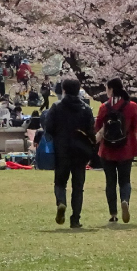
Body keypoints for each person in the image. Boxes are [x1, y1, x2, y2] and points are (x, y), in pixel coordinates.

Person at [45, 78, 95, 228]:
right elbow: (91, 131)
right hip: (80, 151)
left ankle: (61, 202)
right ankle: (75, 219)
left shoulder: (56, 107)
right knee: (78, 186)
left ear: (64, 90)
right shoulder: (86, 109)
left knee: (60, 182)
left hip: (62, 150)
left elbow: (49, 128)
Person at [95, 77, 137, 224]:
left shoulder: (103, 107)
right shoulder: (132, 106)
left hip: (107, 149)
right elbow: (134, 127)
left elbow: (97, 127)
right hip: (126, 148)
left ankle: (113, 214)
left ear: (112, 89)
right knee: (125, 180)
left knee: (110, 182)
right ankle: (125, 200)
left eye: (107, 88)